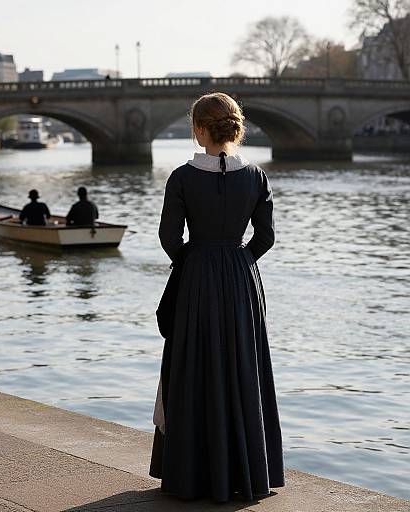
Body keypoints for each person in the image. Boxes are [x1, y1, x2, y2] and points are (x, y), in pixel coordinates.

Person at [149, 92, 284, 502]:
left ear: (200, 129)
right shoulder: (256, 176)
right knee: (242, 368)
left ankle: (193, 475)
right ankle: (245, 472)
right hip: (242, 281)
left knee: (195, 367)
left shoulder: (182, 177)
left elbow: (169, 238)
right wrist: (240, 260)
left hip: (197, 279)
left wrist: (194, 261)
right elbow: (266, 237)